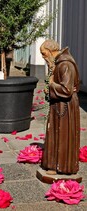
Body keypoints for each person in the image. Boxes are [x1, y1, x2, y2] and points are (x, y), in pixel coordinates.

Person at [40, 39, 80, 175]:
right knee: (56, 134)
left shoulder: (65, 64)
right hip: (59, 105)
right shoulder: (58, 63)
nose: (43, 58)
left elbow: (67, 90)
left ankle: (63, 166)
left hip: (66, 107)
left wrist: (51, 85)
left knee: (63, 135)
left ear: (51, 51)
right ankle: (54, 164)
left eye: (44, 54)